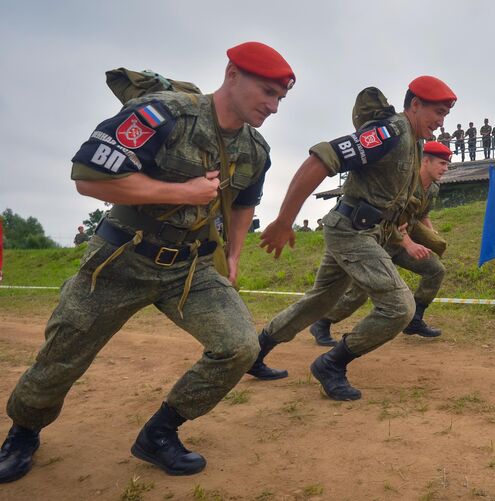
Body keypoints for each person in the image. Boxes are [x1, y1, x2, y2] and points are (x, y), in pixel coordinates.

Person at [0, 41, 295, 483]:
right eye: (267, 92)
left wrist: (233, 254)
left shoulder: (256, 148)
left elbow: (244, 203)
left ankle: (160, 433)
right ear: (232, 74)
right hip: (122, 258)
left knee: (239, 346)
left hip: (190, 266)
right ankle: (24, 432)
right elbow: (90, 178)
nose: (272, 106)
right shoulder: (164, 114)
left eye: (280, 98)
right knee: (63, 355)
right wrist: (181, 192)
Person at [248, 76, 456, 401]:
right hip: (351, 230)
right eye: (437, 112)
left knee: (319, 302)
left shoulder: (415, 144)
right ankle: (332, 365)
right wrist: (285, 220)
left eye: (446, 115)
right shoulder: (390, 132)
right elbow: (322, 158)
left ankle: (255, 352)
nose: (441, 122)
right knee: (399, 307)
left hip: (366, 232)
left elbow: (399, 204)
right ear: (415, 105)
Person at [309, 141, 451, 346]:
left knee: (435, 270)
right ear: (426, 161)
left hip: (402, 243)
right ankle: (322, 322)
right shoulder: (403, 183)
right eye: (442, 163)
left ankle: (415, 319)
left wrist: (430, 231)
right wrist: (409, 244)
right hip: (379, 242)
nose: (445, 168)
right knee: (358, 294)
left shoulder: (433, 188)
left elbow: (422, 214)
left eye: (447, 164)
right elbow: (389, 219)